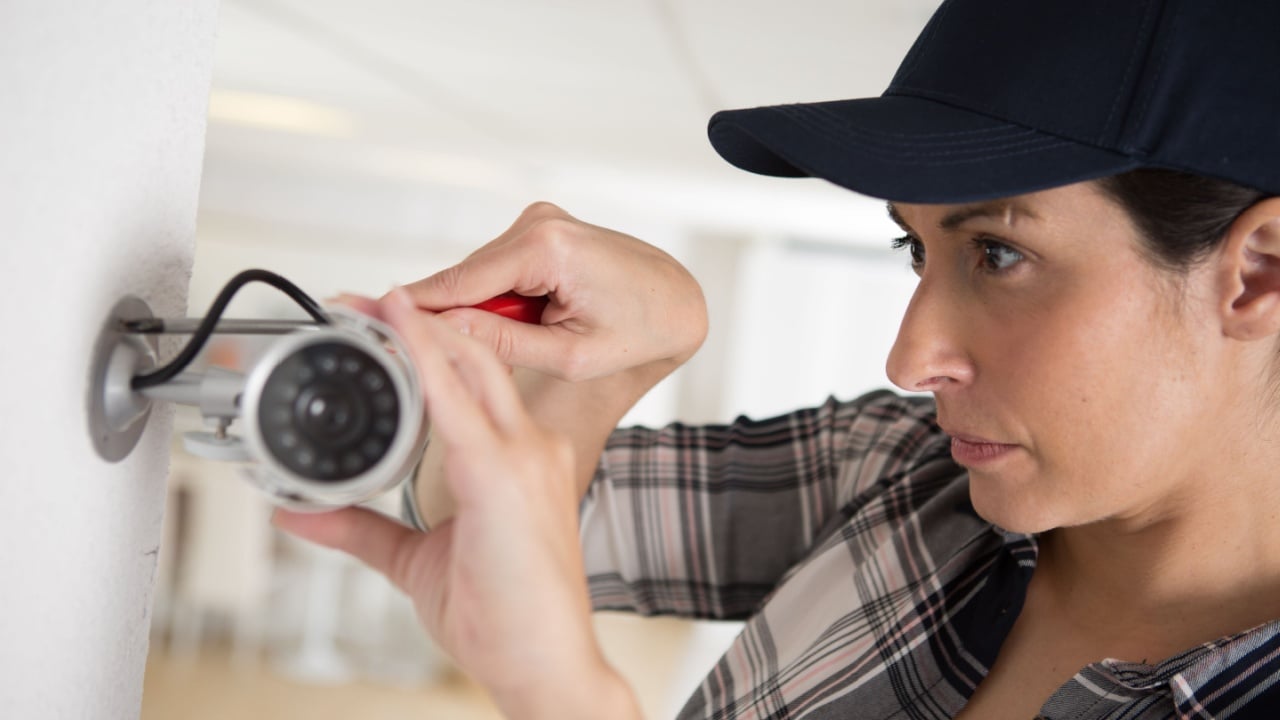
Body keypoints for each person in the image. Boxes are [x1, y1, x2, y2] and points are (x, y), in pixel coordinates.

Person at [272, 0, 1280, 717]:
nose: (909, 356)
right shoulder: (903, 477)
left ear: (1255, 275)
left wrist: (562, 696)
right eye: (913, 250)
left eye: (998, 253)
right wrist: (611, 368)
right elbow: (506, 522)